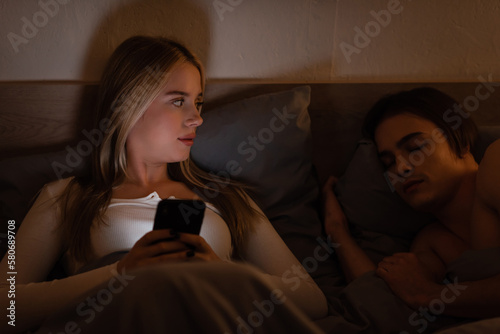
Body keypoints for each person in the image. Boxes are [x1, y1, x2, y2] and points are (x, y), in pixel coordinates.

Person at [0, 36, 327, 333]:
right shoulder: (64, 196)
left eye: (197, 102)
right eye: (178, 101)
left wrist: (219, 271)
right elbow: (6, 307)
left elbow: (312, 300)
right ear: (128, 105)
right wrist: (119, 273)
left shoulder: (228, 199)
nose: (197, 118)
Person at [323, 87, 500, 319]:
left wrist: (431, 295)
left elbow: (421, 295)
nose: (401, 168)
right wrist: (337, 232)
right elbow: (385, 300)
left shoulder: (495, 163)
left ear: (461, 141)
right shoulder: (432, 243)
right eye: (388, 163)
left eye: (416, 147)